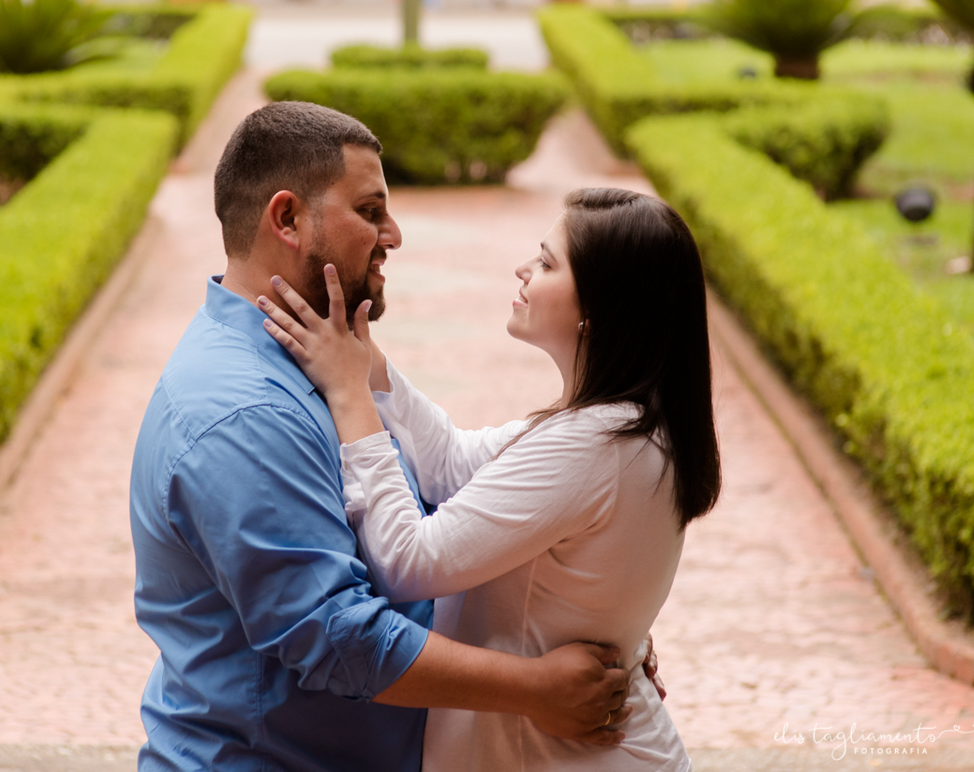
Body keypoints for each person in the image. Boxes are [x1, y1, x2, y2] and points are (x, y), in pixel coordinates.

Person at [128, 103, 654, 772]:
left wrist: (591, 619)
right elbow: (337, 636)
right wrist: (536, 689)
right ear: (287, 220)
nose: (394, 235)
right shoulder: (244, 414)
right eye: (370, 211)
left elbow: (452, 493)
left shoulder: (325, 359)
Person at [258, 187, 721, 771]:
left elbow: (408, 561)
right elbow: (453, 460)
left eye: (547, 263)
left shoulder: (598, 444)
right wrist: (364, 362)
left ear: (600, 307)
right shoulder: (622, 428)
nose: (523, 269)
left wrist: (350, 396)